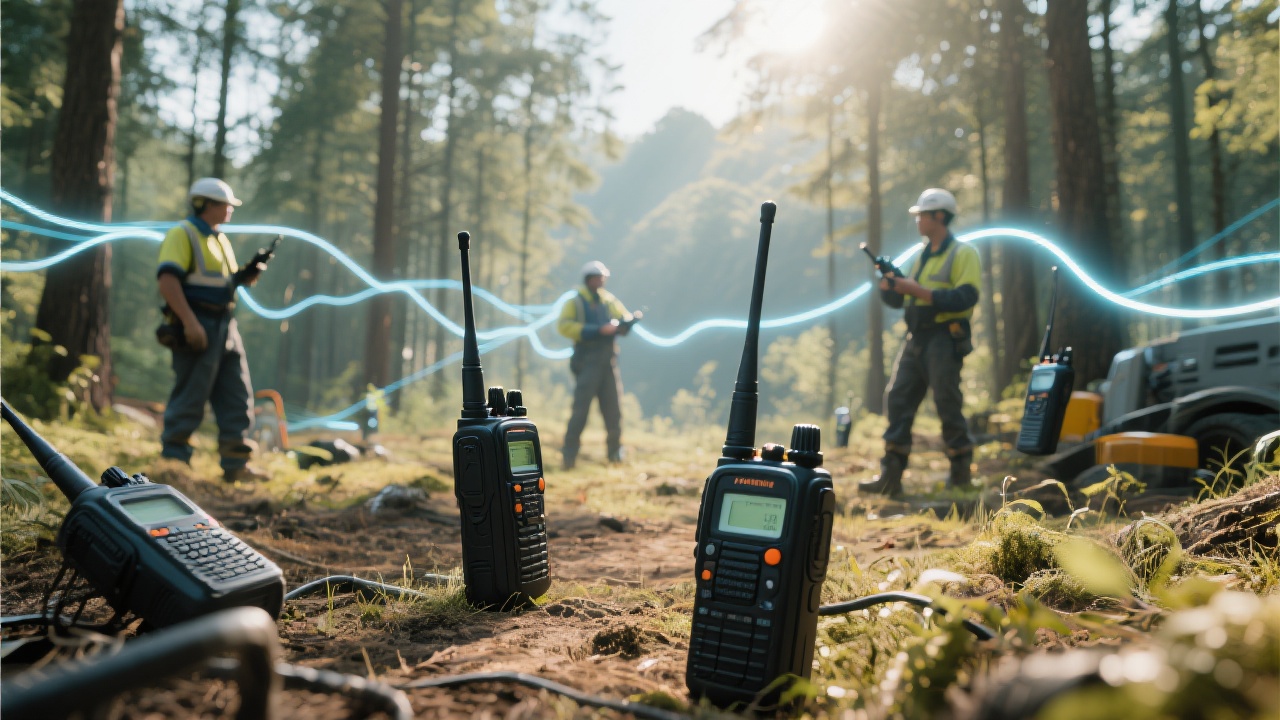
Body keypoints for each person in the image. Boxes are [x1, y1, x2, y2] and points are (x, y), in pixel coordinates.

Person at [859, 188, 981, 496]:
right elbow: (903, 300)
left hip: (944, 338)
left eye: (922, 215)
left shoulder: (963, 253)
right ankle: (890, 477)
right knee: (898, 399)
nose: (918, 220)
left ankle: (961, 476)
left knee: (947, 402)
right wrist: (890, 288)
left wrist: (917, 291)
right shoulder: (922, 255)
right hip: (916, 338)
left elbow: (966, 298)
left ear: (939, 216)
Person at [157, 178, 269, 482]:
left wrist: (245, 276)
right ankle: (174, 464)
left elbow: (223, 282)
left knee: (236, 394)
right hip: (197, 322)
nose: (230, 209)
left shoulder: (220, 239)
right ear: (207, 204)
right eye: (226, 204)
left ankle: (236, 465)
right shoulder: (183, 234)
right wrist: (190, 323)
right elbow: (167, 281)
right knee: (191, 394)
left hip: (225, 324)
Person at [557, 260, 636, 469]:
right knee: (580, 411)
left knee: (613, 411)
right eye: (596, 278)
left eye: (602, 278)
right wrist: (597, 330)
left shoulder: (609, 300)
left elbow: (623, 316)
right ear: (588, 279)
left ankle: (614, 456)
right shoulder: (575, 301)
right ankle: (569, 457)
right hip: (587, 362)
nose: (600, 281)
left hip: (608, 362)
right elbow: (563, 326)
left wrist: (626, 324)